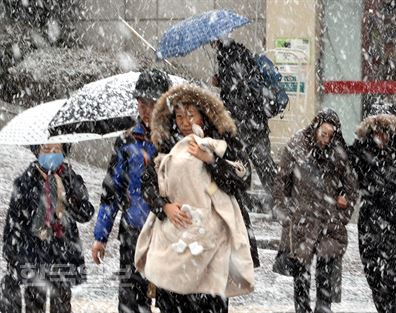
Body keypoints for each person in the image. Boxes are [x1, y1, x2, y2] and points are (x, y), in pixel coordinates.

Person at [141, 84, 254, 312]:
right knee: (172, 300)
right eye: (180, 116)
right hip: (175, 236)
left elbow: (241, 180)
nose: (184, 122)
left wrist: (211, 160)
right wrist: (165, 207)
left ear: (204, 115)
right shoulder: (166, 146)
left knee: (209, 299)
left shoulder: (222, 144)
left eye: (190, 115)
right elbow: (148, 185)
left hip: (212, 238)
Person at [91, 68, 171, 313]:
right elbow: (111, 191)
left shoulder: (176, 139)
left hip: (168, 232)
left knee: (170, 300)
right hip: (132, 233)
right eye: (141, 102)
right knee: (130, 301)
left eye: (152, 102)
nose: (145, 108)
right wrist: (100, 236)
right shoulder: (127, 141)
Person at [273, 108, 358, 313]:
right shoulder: (296, 145)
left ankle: (323, 308)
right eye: (323, 134)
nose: (326, 139)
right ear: (316, 127)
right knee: (301, 274)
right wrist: (285, 215)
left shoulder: (339, 153)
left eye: (330, 135)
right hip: (302, 220)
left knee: (326, 271)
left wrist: (343, 212)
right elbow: (282, 182)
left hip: (330, 222)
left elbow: (351, 188)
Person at [349, 103, 396, 313]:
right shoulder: (361, 152)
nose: (380, 135)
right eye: (376, 129)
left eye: (385, 130)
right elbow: (345, 169)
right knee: (376, 282)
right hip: (371, 228)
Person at [0, 143, 94, 313]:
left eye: (56, 150)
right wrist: (14, 256)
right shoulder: (24, 182)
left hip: (63, 255)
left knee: (61, 307)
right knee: (33, 306)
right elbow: (13, 225)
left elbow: (86, 214)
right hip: (34, 257)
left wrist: (69, 198)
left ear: (64, 152)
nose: (51, 154)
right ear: (37, 151)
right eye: (46, 149)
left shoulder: (71, 179)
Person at [213, 38, 278, 212]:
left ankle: (246, 206)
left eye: (213, 41)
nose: (212, 45)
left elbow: (236, 93)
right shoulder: (241, 53)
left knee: (244, 166)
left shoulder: (230, 57)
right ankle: (277, 202)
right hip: (255, 122)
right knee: (264, 165)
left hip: (244, 122)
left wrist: (223, 86)